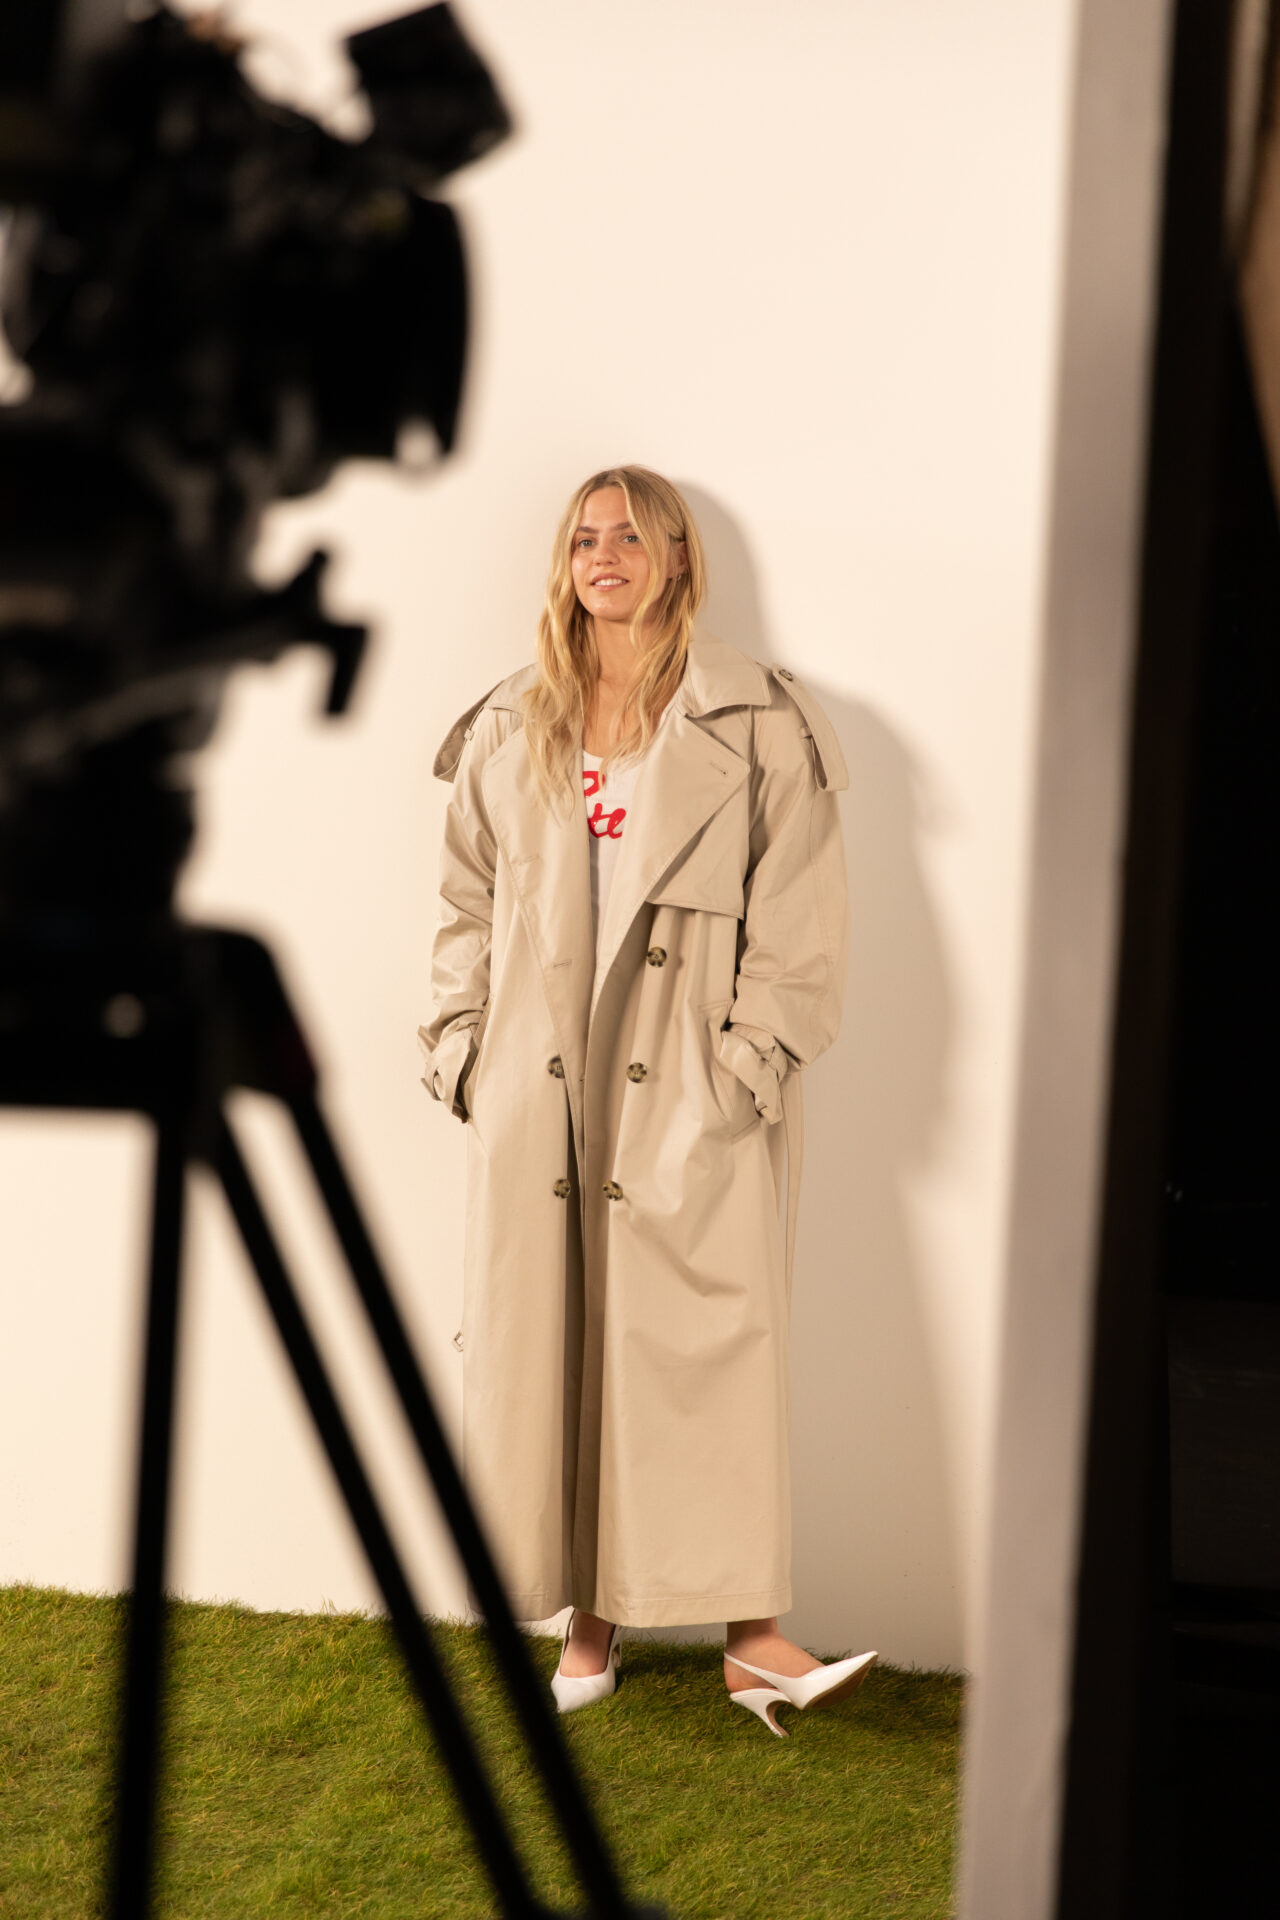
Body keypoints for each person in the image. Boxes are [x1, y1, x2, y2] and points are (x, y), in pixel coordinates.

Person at [418, 466, 875, 1735]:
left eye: (629, 535)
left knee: (702, 1346)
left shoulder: (756, 718)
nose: (603, 556)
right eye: (583, 538)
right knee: (556, 1344)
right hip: (539, 1080)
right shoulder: (513, 721)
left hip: (686, 1075)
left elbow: (800, 915)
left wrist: (747, 1063)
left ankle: (751, 1638)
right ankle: (590, 1626)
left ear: (676, 556)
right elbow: (462, 904)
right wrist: (462, 1052)